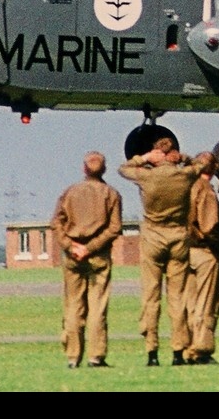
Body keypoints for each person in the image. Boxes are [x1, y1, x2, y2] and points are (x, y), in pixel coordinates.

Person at [118, 135, 203, 366]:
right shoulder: (184, 175)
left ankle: (152, 351)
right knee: (177, 298)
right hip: (178, 237)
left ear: (156, 154)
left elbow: (122, 169)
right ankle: (178, 350)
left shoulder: (146, 176)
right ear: (172, 153)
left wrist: (143, 158)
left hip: (153, 237)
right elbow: (201, 165)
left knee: (151, 296)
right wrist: (182, 158)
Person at [51, 150, 122, 369]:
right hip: (99, 256)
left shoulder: (69, 192)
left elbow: (56, 222)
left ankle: (73, 356)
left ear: (84, 169)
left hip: (72, 256)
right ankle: (96, 356)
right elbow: (114, 228)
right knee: (97, 306)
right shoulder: (111, 194)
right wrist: (90, 248)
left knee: (73, 306)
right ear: (105, 169)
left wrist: (70, 246)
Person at [184, 151, 219, 364]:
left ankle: (187, 346)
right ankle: (201, 348)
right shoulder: (205, 189)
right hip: (205, 252)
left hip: (184, 251)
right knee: (206, 302)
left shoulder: (184, 185)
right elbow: (210, 225)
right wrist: (214, 238)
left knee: (189, 302)